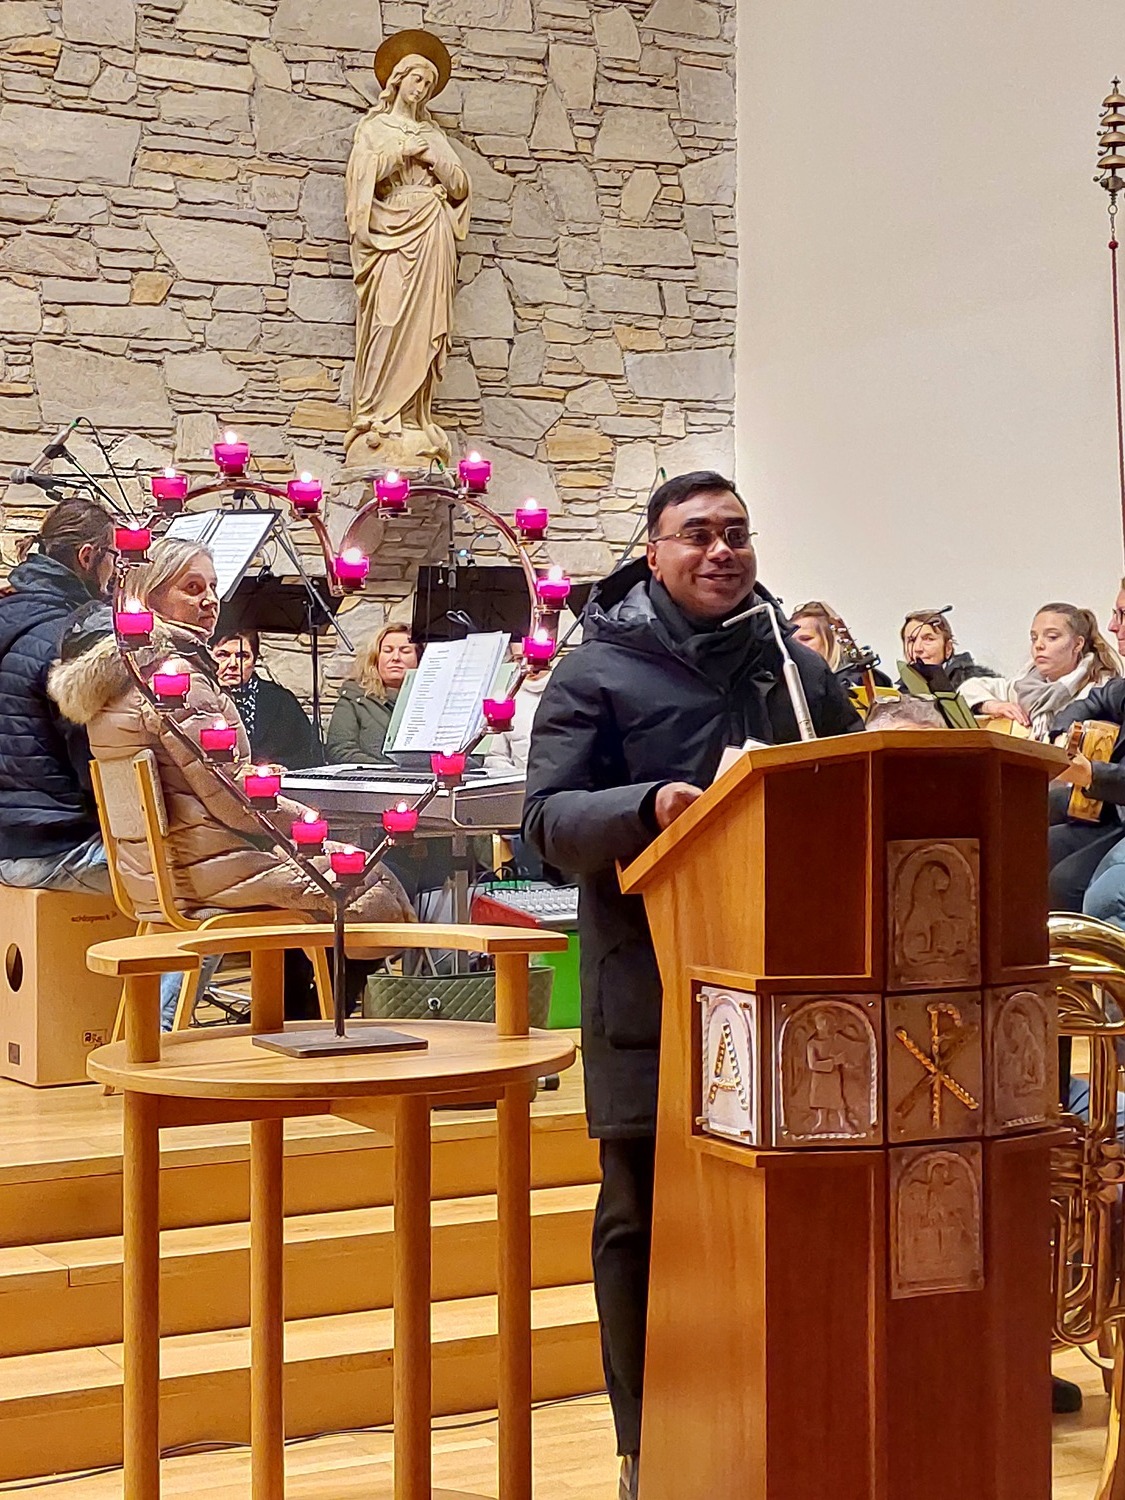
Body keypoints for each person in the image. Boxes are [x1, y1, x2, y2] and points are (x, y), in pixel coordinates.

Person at [521, 470, 862, 1498]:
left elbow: (856, 781)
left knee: (800, 1215)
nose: (722, 551)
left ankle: (798, 1421)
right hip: (654, 985)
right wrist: (650, 807)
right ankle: (646, 1444)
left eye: (737, 533)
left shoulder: (794, 670)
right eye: (698, 534)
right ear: (654, 551)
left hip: (797, 990)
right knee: (639, 1219)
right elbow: (544, 824)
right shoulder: (598, 672)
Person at [48, 539, 413, 1027]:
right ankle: (313, 1027)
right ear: (149, 595)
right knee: (374, 882)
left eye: (213, 587)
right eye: (191, 587)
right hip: (208, 869)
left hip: (157, 872)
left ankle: (288, 1022)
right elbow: (233, 799)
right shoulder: (176, 677)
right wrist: (310, 822)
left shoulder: (122, 678)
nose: (209, 600)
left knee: (350, 878)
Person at [344, 31, 470, 471]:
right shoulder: (375, 128)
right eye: (418, 79)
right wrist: (401, 153)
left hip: (432, 230)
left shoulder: (433, 134)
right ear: (398, 80)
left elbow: (460, 185)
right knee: (387, 318)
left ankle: (415, 418)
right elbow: (361, 177)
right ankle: (377, 415)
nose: (422, 89)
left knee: (426, 325)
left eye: (429, 84)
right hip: (391, 231)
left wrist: (434, 159)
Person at [0, 498, 117, 894]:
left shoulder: (10, 611)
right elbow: (95, 771)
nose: (115, 570)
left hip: (10, 841)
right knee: (195, 879)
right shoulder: (71, 637)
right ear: (88, 557)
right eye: (113, 556)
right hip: (55, 849)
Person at [958, 603, 1121, 740]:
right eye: (1034, 638)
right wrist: (992, 705)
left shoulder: (1101, 691)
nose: (1039, 645)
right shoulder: (1024, 686)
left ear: (1078, 644)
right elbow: (967, 690)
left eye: (1052, 637)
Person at [213, 629, 322, 770]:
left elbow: (309, 753)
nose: (233, 664)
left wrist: (280, 767)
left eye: (242, 656)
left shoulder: (280, 700)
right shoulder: (197, 696)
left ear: (254, 661)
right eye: (222, 655)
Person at [326, 624, 419, 765]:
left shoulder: (434, 700)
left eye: (405, 651)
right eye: (387, 651)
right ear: (376, 658)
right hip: (372, 777)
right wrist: (387, 770)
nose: (396, 657)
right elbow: (340, 749)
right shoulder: (354, 698)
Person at [790, 599, 891, 691]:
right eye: (792, 642)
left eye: (806, 638)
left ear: (831, 641)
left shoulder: (857, 680)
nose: (797, 646)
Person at [899, 607, 995, 691]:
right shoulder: (899, 694)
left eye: (928, 639)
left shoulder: (977, 684)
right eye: (911, 640)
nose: (917, 648)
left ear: (948, 648)